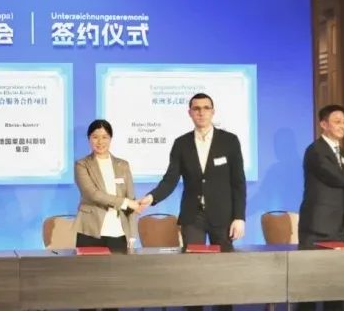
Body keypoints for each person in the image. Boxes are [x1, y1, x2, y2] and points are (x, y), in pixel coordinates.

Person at [139, 93, 246, 311]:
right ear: (189, 113)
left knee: (223, 274)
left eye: (206, 108)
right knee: (193, 273)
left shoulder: (229, 141)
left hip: (222, 216)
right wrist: (151, 198)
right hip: (192, 216)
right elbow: (170, 179)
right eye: (196, 108)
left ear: (213, 112)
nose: (201, 112)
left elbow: (238, 182)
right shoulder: (181, 143)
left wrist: (239, 217)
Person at [297, 104, 344, 311]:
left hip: (336, 226)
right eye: (337, 122)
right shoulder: (316, 150)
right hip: (316, 226)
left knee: (335, 283)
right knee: (309, 285)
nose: (342, 126)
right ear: (323, 125)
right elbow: (334, 177)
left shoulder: (341, 151)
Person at [73, 119, 141, 254]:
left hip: (119, 232)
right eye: (95, 137)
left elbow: (131, 199)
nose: (100, 142)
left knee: (118, 268)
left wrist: (132, 234)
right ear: (89, 139)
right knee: (88, 268)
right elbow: (92, 194)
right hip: (90, 231)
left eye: (104, 137)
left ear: (110, 139)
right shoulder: (82, 164)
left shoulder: (123, 165)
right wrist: (125, 202)